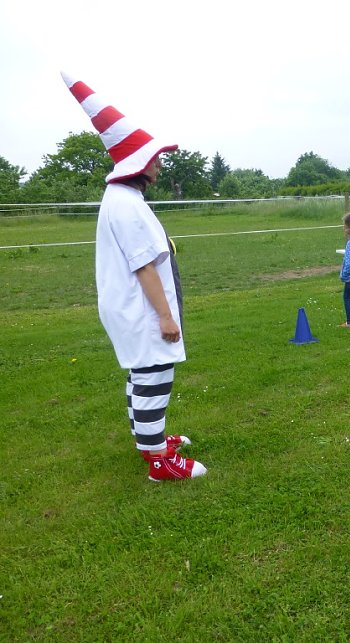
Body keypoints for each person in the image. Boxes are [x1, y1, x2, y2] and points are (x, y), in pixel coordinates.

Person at [61, 72, 206, 481]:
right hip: (141, 309)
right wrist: (164, 316)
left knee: (143, 375)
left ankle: (151, 443)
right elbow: (143, 266)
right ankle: (160, 463)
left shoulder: (123, 199)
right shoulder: (127, 204)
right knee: (153, 375)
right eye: (155, 158)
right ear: (139, 163)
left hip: (132, 308)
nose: (159, 164)